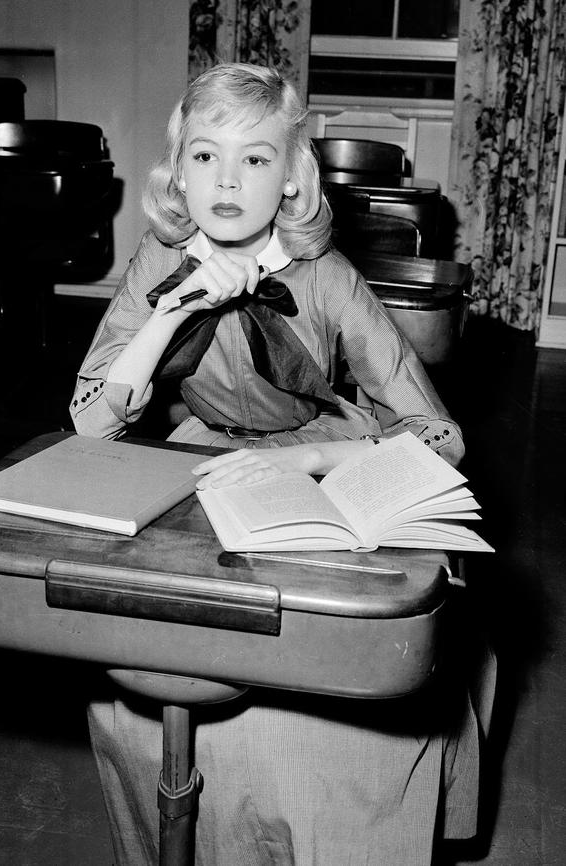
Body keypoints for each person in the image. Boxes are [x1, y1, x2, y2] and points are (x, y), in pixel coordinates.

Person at [72, 62, 493, 865]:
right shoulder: (157, 266)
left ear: (292, 181)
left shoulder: (328, 279)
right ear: (178, 172)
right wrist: (171, 313)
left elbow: (440, 435)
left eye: (255, 159)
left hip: (329, 453)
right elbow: (92, 425)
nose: (226, 180)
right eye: (205, 156)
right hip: (199, 452)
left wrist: (327, 456)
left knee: (342, 679)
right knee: (144, 645)